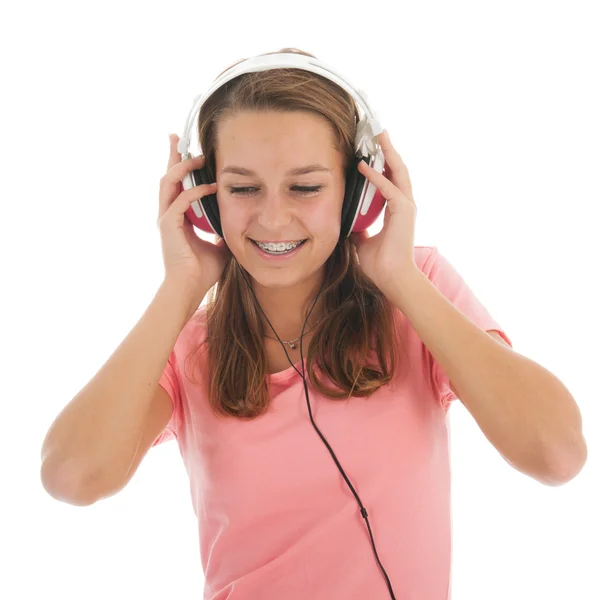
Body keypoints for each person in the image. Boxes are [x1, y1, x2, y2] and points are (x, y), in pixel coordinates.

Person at [40, 48, 513, 599]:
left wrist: (401, 279)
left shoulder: (418, 290)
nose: (271, 218)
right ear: (205, 202)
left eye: (306, 187)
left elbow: (555, 453)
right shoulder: (187, 346)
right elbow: (70, 478)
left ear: (358, 196)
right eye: (242, 189)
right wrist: (180, 287)